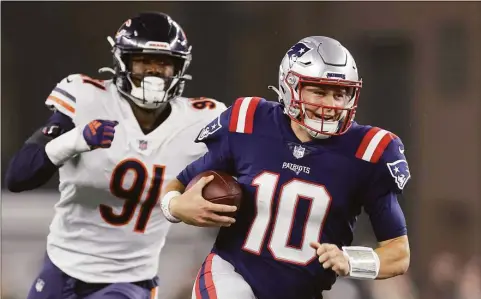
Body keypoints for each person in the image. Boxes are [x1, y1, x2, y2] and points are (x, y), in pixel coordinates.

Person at [160, 36, 411, 299]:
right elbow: (178, 184)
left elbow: (399, 253)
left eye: (340, 93)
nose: (333, 104)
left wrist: (351, 260)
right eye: (320, 91)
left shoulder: (369, 151)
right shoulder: (250, 122)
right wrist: (174, 207)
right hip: (231, 274)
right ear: (290, 87)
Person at [5, 12, 226, 299]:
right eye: (144, 61)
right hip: (61, 267)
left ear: (179, 68)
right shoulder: (87, 97)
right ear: (123, 61)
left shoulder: (202, 119)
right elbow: (18, 176)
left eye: (164, 63)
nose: (154, 72)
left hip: (130, 281)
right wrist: (76, 140)